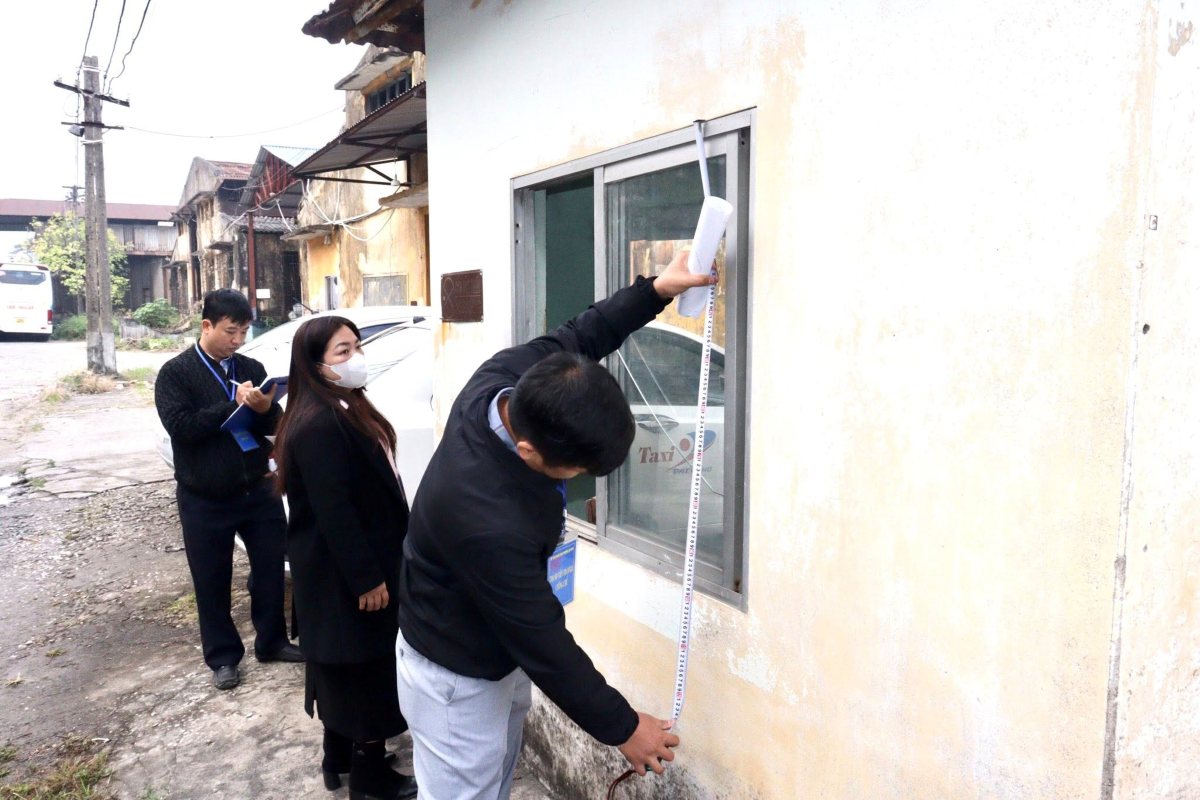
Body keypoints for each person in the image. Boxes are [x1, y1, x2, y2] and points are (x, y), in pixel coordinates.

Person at [394, 250, 714, 799]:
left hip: (492, 652)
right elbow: (541, 640)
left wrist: (657, 290)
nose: (581, 480)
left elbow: (583, 334)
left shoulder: (511, 380)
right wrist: (624, 727)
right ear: (527, 449)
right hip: (455, 676)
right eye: (578, 470)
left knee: (491, 780)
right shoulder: (484, 518)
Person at [272, 316, 418, 800]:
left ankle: (338, 757)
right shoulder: (320, 421)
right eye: (342, 351)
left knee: (342, 666)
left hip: (352, 565)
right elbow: (335, 512)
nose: (356, 357)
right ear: (315, 365)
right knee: (366, 670)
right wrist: (366, 579)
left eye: (357, 346)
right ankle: (370, 778)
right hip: (350, 572)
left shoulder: (341, 404)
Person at [155, 289, 303, 691]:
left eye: (243, 331)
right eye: (230, 331)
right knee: (211, 578)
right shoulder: (176, 373)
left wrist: (262, 409)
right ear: (207, 326)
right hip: (205, 496)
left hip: (257, 489)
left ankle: (272, 641)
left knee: (272, 568)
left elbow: (271, 423)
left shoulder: (250, 366)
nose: (238, 340)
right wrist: (228, 405)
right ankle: (223, 657)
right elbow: (181, 429)